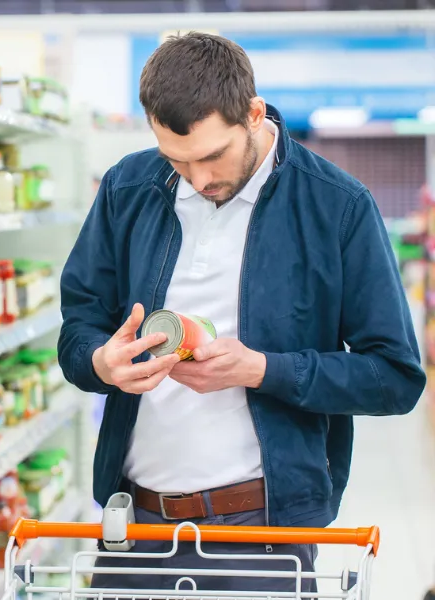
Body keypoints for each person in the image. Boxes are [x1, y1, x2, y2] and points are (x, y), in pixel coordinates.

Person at [58, 32, 425, 594]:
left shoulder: (337, 206)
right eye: (176, 161)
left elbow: (395, 378)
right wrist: (102, 363)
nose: (197, 180)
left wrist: (261, 370)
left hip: (262, 532)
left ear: (254, 113)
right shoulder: (128, 188)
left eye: (210, 156)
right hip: (134, 526)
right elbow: (78, 328)